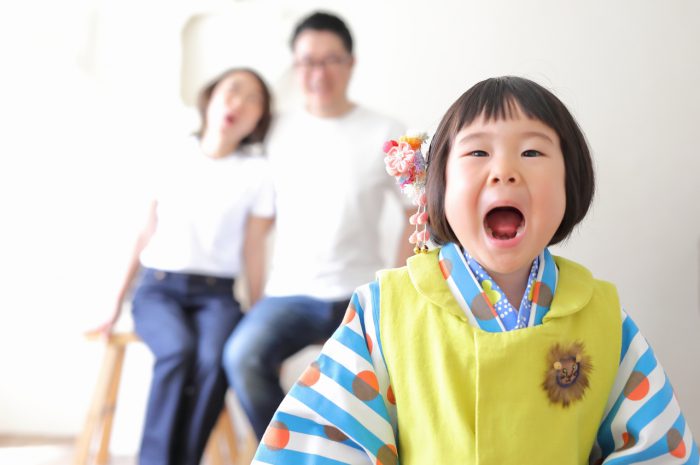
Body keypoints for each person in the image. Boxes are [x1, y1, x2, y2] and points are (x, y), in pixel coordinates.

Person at [249, 76, 699, 464]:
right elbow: (324, 442)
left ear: (571, 181)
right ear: (439, 185)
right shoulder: (384, 314)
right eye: (478, 153)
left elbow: (657, 447)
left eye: (532, 153)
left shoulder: (603, 319)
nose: (504, 171)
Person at [222, 11, 414, 440]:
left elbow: (415, 210)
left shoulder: (386, 131)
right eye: (308, 61)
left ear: (351, 63)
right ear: (295, 66)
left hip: (360, 295)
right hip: (288, 293)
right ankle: (290, 450)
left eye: (331, 60)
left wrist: (394, 286)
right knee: (241, 357)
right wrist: (255, 299)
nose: (318, 72)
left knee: (398, 378)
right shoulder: (276, 131)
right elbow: (257, 226)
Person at [90, 68, 275, 465]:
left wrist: (258, 306)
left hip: (218, 295)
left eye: (253, 99)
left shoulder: (258, 172)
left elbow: (254, 247)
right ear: (210, 97)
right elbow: (141, 234)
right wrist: (114, 303)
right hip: (158, 289)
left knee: (216, 358)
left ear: (259, 119)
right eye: (232, 90)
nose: (239, 103)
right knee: (177, 350)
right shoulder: (170, 154)